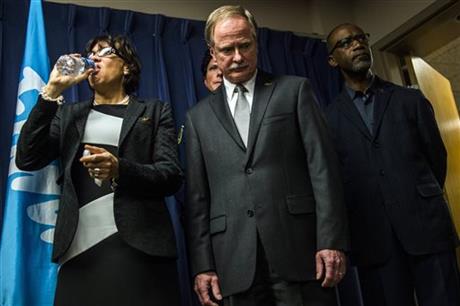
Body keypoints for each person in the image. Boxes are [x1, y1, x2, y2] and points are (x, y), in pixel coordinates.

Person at [185, 5, 349, 306]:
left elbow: (323, 169)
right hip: (233, 260)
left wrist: (330, 240)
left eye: (244, 45)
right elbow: (197, 199)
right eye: (227, 49)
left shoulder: (294, 90)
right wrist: (203, 264)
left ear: (256, 42)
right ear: (212, 52)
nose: (237, 57)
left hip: (300, 250)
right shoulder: (197, 118)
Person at [15, 35, 183, 306]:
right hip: (80, 250)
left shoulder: (154, 111)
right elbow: (27, 158)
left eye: (104, 52)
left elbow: (171, 175)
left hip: (140, 248)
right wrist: (52, 92)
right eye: (90, 54)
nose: (94, 58)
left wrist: (120, 169)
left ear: (126, 66)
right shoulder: (68, 115)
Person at [325, 23, 460, 306]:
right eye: (346, 42)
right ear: (332, 59)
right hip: (374, 241)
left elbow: (436, 159)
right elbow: (336, 180)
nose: (357, 45)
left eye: (362, 38)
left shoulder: (410, 100)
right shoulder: (328, 119)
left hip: (427, 230)